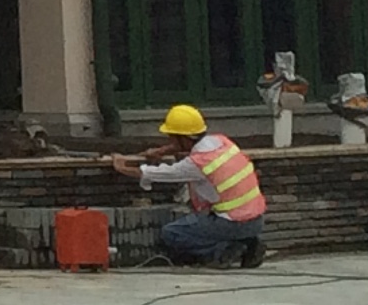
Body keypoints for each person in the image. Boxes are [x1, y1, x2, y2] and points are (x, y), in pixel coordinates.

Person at [105, 102, 266, 267]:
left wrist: (122, 166)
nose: (170, 140)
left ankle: (226, 250)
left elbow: (157, 173)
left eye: (172, 137)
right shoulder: (222, 142)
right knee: (200, 224)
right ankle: (250, 242)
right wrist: (162, 151)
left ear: (182, 138)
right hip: (255, 222)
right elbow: (188, 146)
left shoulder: (197, 164)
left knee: (172, 234)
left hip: (232, 224)